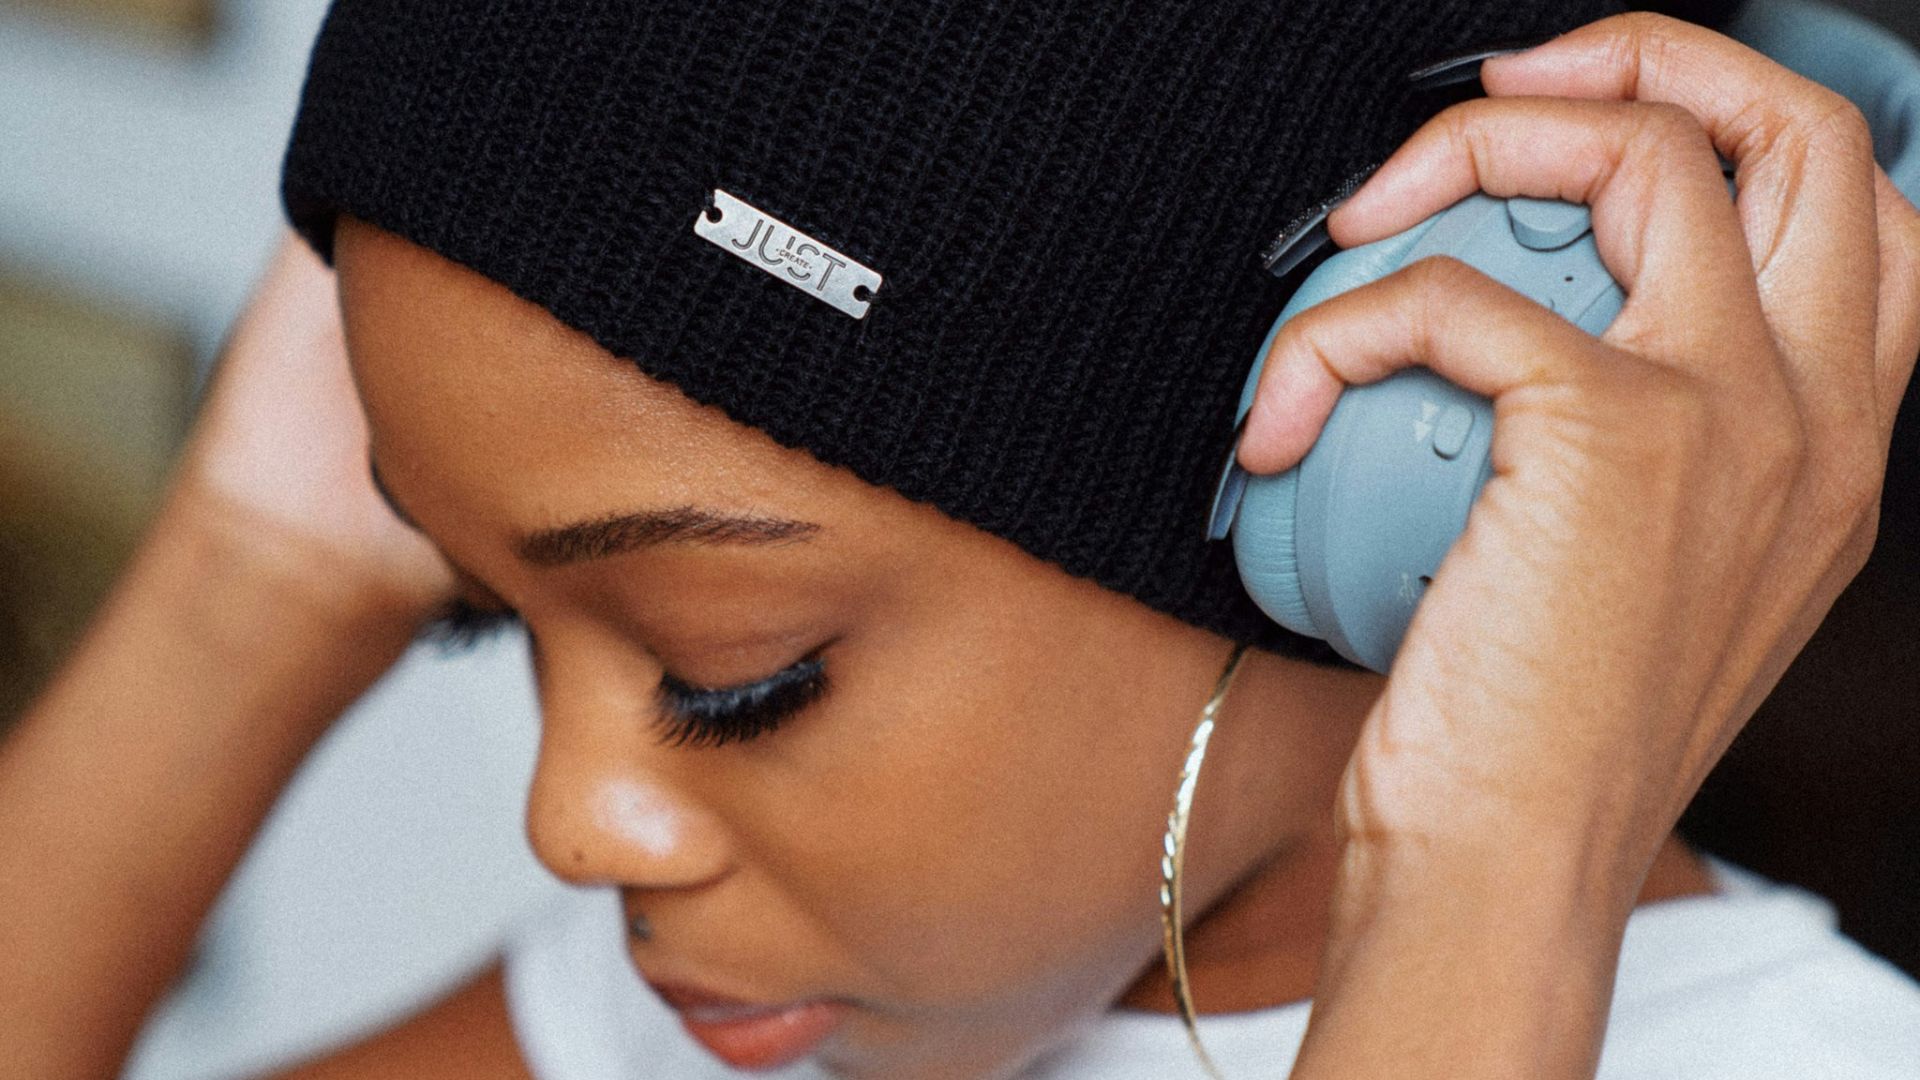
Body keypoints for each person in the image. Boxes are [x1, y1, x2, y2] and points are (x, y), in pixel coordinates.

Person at [4, 2, 1920, 1078]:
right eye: (497, 620)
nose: (574, 829)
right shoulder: (725, 1017)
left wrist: (1500, 877)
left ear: (1405, 478)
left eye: (735, 678)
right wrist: (251, 586)